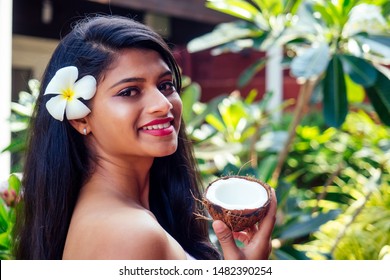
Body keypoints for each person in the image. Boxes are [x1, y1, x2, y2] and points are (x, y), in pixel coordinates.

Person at [14, 15, 276, 260]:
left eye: (165, 85)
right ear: (81, 118)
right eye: (129, 91)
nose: (163, 104)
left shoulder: (126, 217)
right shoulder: (129, 233)